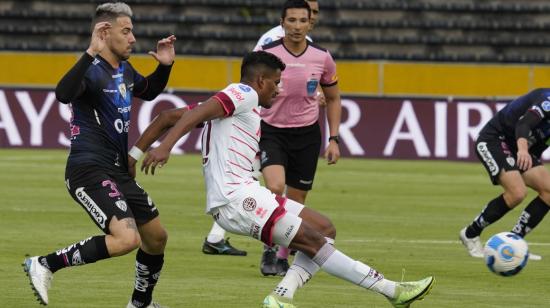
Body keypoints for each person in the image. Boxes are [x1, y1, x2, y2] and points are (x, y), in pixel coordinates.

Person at [132, 50, 434, 308]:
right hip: (237, 200)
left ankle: (281, 295)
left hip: (247, 194)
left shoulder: (236, 103)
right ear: (260, 80)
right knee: (314, 242)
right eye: (276, 83)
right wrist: (165, 147)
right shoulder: (244, 93)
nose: (278, 90)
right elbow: (193, 117)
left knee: (324, 227)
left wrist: (134, 156)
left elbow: (168, 117)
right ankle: (391, 291)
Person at [21, 3, 175, 307]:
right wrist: (90, 50)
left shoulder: (125, 70)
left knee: (156, 238)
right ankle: (45, 264)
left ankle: (140, 304)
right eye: (126, 31)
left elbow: (150, 89)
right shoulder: (91, 71)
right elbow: (63, 93)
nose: (133, 38)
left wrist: (166, 66)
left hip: (116, 170)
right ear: (105, 32)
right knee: (127, 239)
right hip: (88, 169)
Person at [199, 0, 323, 257]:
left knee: (250, 177)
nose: (310, 19)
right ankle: (269, 244)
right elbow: (257, 72)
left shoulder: (306, 42)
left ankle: (216, 236)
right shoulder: (273, 40)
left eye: (314, 14)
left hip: (272, 121)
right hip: (263, 121)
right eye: (308, 13)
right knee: (260, 182)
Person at [252, 0, 342, 276]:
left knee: (297, 200)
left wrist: (334, 138)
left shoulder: (322, 57)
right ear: (282, 23)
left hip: (306, 134)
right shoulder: (267, 54)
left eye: (302, 20)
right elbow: (249, 90)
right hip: (272, 131)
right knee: (275, 187)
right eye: (291, 20)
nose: (296, 26)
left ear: (310, 23)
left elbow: (334, 97)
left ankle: (282, 256)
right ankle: (268, 250)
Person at [459, 88, 550, 261]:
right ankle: (470, 234)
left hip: (520, 148)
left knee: (548, 190)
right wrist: (523, 150)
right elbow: (524, 124)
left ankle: (514, 244)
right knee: (517, 193)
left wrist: (526, 154)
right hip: (494, 139)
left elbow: (539, 146)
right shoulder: (548, 100)